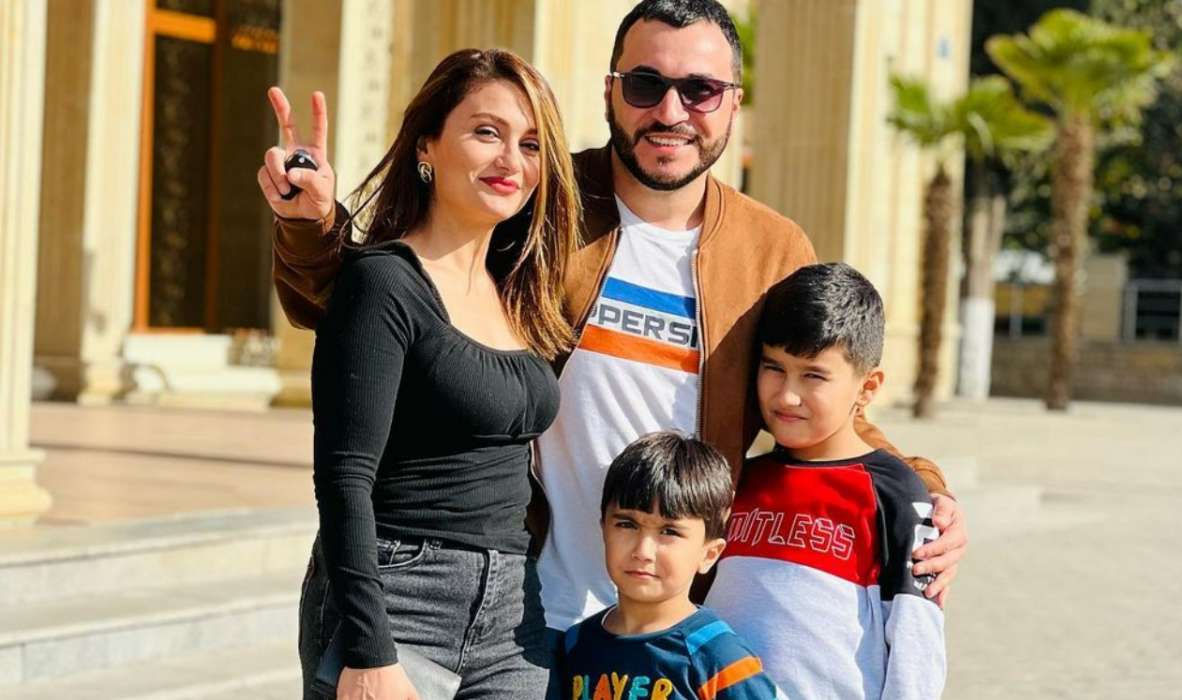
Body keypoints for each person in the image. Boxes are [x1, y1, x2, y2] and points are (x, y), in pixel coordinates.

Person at [268, 0, 968, 654]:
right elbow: (374, 300)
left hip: (667, 624)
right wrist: (313, 226)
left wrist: (922, 490)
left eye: (700, 91)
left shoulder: (771, 250)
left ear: (733, 104)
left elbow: (825, 406)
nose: (670, 111)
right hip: (521, 606)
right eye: (645, 84)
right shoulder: (542, 204)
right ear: (610, 91)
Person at [259, 49, 580, 699]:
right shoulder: (384, 283)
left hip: (514, 611)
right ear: (426, 146)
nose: (511, 160)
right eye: (486, 132)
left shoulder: (523, 294)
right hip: (398, 595)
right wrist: (369, 650)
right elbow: (344, 480)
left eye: (530, 144)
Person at [704, 262, 947, 699]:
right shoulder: (737, 480)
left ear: (867, 388)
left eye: (813, 375)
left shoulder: (897, 495)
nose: (786, 395)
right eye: (773, 367)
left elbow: (916, 650)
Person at [560, 432, 782, 700]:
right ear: (604, 529)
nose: (643, 552)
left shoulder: (720, 659)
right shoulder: (575, 644)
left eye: (669, 531)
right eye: (627, 524)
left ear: (709, 554)